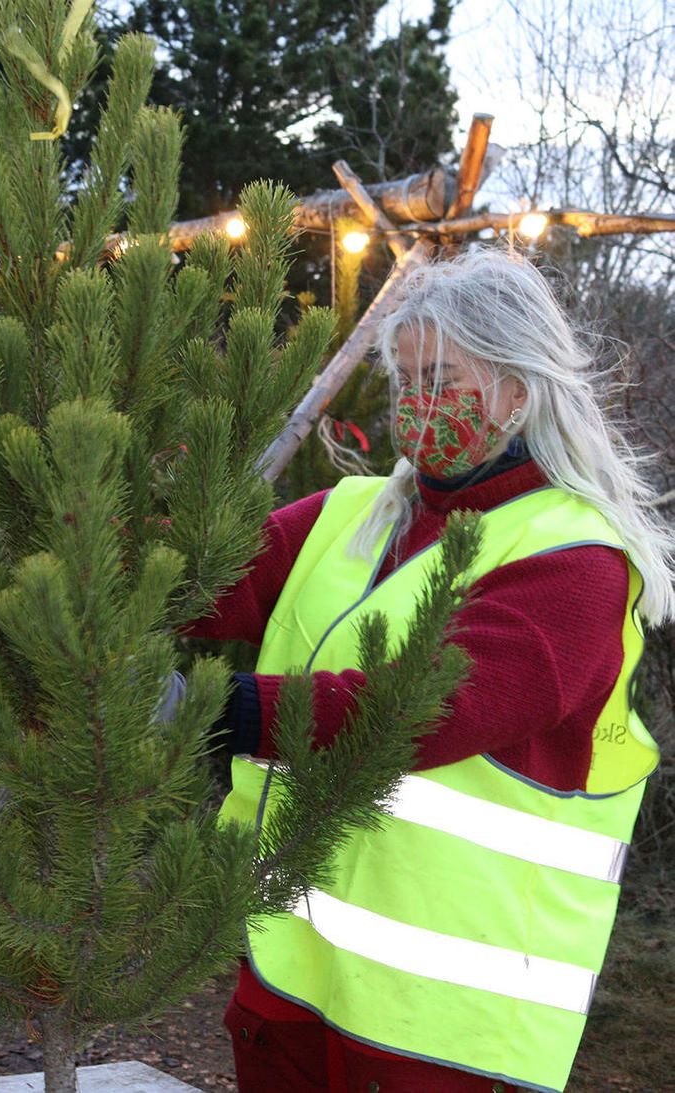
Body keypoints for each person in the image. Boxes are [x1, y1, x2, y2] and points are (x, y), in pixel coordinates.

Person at [192, 248, 673, 1093]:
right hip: (291, 971)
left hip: (447, 1023)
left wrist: (205, 709)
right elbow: (210, 580)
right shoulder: (359, 513)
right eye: (405, 380)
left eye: (441, 378)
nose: (418, 405)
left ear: (519, 389)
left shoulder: (576, 559)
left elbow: (424, 710)